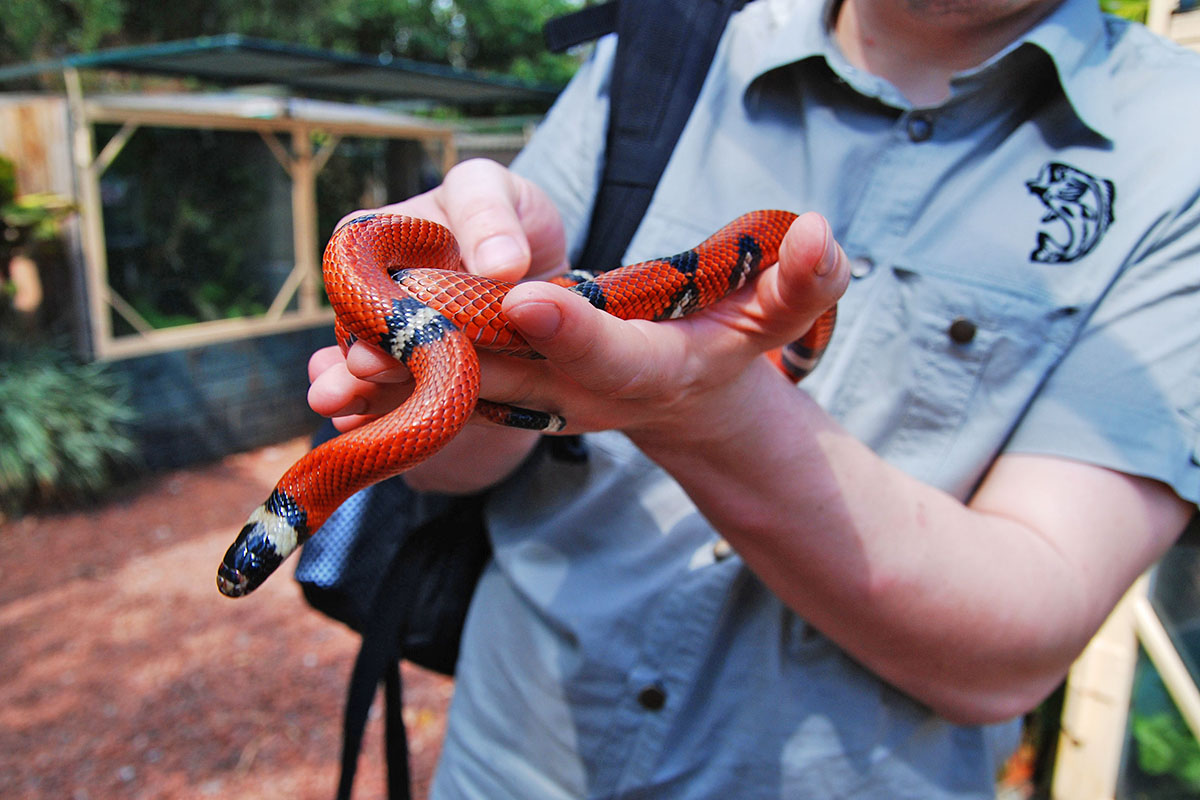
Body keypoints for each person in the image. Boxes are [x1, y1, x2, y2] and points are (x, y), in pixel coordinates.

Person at [308, 0, 1200, 796]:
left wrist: (704, 410)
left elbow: (1015, 658)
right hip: (510, 759)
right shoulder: (666, 41)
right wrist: (493, 331)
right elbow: (445, 471)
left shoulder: (1178, 143)